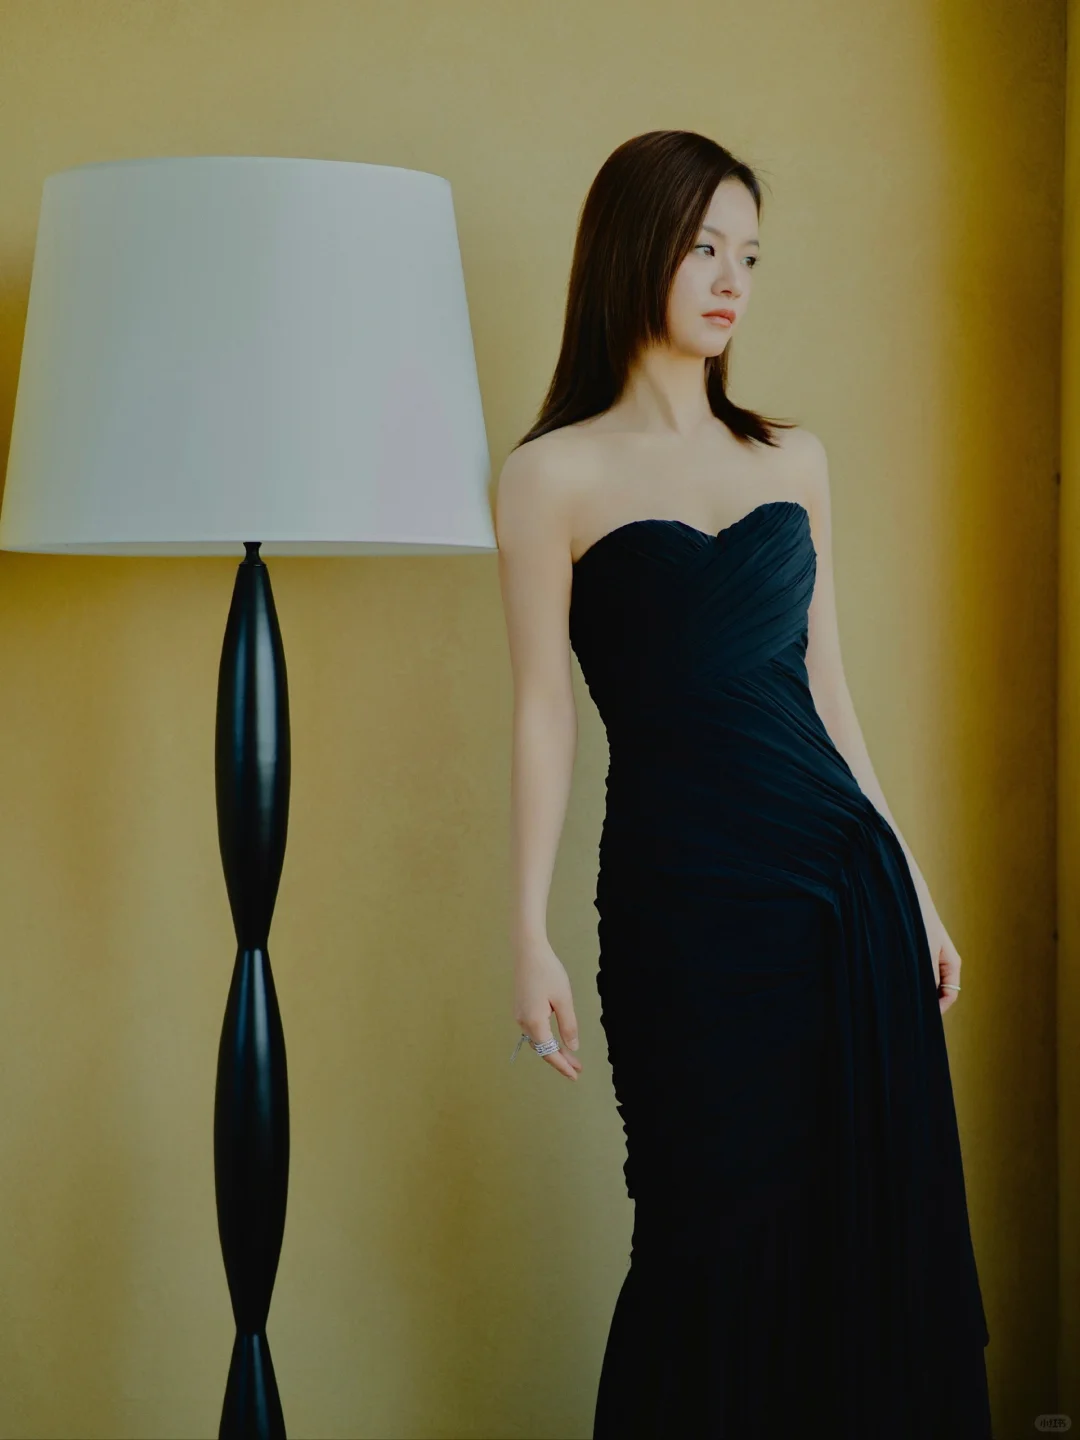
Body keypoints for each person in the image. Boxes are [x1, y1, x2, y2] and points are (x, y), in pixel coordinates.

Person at [495, 129, 992, 1438]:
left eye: (751, 256)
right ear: (633, 251)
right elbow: (543, 710)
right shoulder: (550, 475)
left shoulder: (792, 459)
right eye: (704, 247)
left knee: (859, 1236)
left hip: (841, 891)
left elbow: (829, 694)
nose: (732, 281)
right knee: (698, 1228)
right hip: (683, 906)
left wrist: (916, 888)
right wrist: (526, 928)